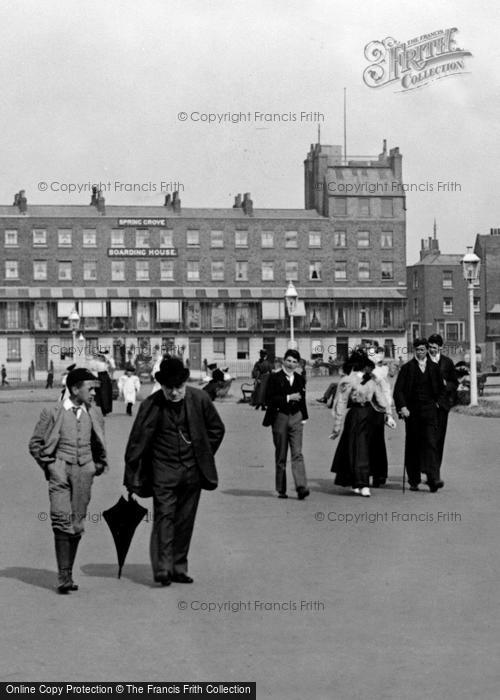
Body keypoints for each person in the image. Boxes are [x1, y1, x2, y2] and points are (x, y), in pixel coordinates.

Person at [123, 357, 225, 586]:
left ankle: (179, 568)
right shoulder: (151, 404)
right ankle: (162, 569)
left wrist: (203, 454)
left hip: (192, 473)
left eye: (178, 387)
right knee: (164, 518)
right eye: (169, 388)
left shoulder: (200, 399)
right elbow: (136, 440)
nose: (174, 393)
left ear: (185, 384)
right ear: (163, 386)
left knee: (185, 521)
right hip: (163, 472)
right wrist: (132, 474)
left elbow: (217, 429)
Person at [28, 368, 107, 593]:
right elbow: (35, 444)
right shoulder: (52, 412)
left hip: (84, 472)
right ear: (74, 389)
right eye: (89, 388)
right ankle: (63, 577)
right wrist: (51, 466)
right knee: (61, 520)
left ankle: (69, 573)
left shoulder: (95, 413)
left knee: (77, 523)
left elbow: (99, 442)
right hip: (60, 470)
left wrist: (96, 466)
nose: (93, 393)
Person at [330, 350, 395, 498]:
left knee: (364, 449)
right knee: (359, 449)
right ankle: (362, 483)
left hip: (370, 417)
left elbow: (380, 398)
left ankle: (359, 481)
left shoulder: (371, 380)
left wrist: (389, 415)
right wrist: (337, 426)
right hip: (356, 415)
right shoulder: (348, 380)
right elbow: (342, 402)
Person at [393, 338, 447, 492]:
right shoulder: (407, 368)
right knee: (413, 445)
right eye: (418, 350)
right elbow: (398, 391)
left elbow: (442, 391)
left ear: (426, 350)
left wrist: (438, 404)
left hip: (429, 411)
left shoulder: (434, 367)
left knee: (431, 443)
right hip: (412, 413)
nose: (421, 352)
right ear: (414, 350)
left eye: (423, 349)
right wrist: (402, 407)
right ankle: (414, 480)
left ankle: (433, 479)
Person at [263, 348, 310, 500]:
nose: (291, 364)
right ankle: (281, 489)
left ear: (298, 364)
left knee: (297, 453)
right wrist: (288, 397)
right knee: (281, 453)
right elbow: (268, 399)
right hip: (279, 417)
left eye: (294, 362)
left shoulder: (300, 379)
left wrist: (304, 417)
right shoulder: (274, 378)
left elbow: (302, 399)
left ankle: (301, 486)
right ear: (283, 361)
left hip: (296, 417)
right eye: (288, 361)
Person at [428, 334, 459, 470]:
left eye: (434, 347)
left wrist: (446, 385)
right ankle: (427, 467)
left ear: (440, 347)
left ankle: (435, 469)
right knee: (427, 438)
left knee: (439, 438)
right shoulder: (423, 361)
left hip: (442, 407)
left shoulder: (447, 362)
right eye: (429, 347)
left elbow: (455, 382)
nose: (431, 350)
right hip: (427, 406)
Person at [369, 348, 394, 487]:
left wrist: (389, 414)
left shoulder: (380, 374)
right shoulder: (361, 374)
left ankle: (379, 474)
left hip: (377, 411)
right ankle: (366, 473)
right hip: (364, 410)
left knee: (377, 443)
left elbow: (386, 394)